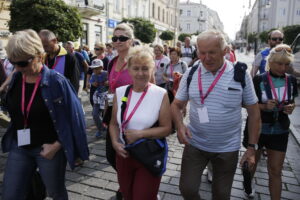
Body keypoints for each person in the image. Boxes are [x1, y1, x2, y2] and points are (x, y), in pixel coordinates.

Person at [171, 30, 261, 200]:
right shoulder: (191, 73)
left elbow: (254, 113)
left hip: (227, 148)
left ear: (225, 51)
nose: (206, 58)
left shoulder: (240, 74)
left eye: (212, 52)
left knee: (221, 195)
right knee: (187, 189)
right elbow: (176, 105)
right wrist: (180, 125)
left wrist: (251, 149)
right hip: (195, 144)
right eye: (202, 52)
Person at [1, 29, 89, 199]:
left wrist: (57, 145)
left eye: (23, 63)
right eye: (13, 63)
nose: (18, 68)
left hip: (48, 148)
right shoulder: (16, 78)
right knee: (10, 194)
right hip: (20, 145)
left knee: (56, 192)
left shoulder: (57, 82)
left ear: (39, 56)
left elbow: (75, 118)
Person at [110, 45, 171, 200]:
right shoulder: (120, 92)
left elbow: (166, 129)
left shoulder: (160, 94)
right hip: (124, 155)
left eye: (145, 68)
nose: (140, 73)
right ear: (129, 70)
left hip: (148, 155)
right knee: (127, 195)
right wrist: (115, 143)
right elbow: (114, 124)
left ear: (152, 69)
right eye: (136, 68)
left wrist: (140, 133)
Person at [242, 44, 298, 199]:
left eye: (286, 64)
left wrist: (291, 107)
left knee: (275, 171)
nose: (283, 67)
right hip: (258, 129)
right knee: (251, 165)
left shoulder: (291, 80)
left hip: (280, 130)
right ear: (270, 62)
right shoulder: (259, 79)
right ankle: (248, 185)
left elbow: (291, 101)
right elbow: (245, 103)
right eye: (279, 63)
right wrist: (263, 106)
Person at [105, 23, 135, 200]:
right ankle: (128, 181)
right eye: (115, 38)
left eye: (122, 38)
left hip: (132, 116)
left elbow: (151, 87)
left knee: (129, 153)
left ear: (130, 40)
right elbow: (112, 87)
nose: (118, 41)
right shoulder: (112, 62)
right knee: (111, 154)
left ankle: (130, 186)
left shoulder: (137, 60)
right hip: (114, 115)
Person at [89, 59, 108, 138]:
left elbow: (113, 81)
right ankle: (101, 129)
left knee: (106, 115)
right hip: (97, 97)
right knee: (95, 114)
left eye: (96, 68)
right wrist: (93, 83)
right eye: (93, 68)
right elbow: (91, 82)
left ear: (101, 67)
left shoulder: (107, 73)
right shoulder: (93, 75)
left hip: (107, 97)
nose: (94, 70)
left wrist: (109, 82)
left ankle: (109, 130)